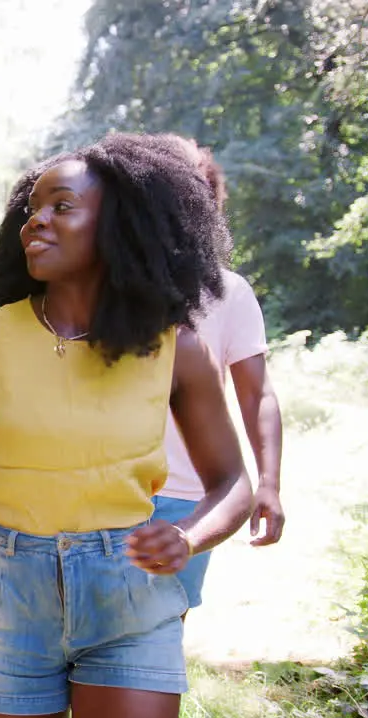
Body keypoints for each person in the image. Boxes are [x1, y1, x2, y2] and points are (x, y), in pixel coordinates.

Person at [0, 134, 255, 718]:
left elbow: (232, 482)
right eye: (32, 211)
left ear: (117, 228)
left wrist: (187, 537)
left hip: (128, 588)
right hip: (10, 589)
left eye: (62, 207)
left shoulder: (177, 349)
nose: (36, 222)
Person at [151, 135, 286, 613]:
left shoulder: (229, 293)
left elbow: (257, 395)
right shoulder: (98, 287)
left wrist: (268, 483)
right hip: (96, 492)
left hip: (186, 501)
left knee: (160, 638)